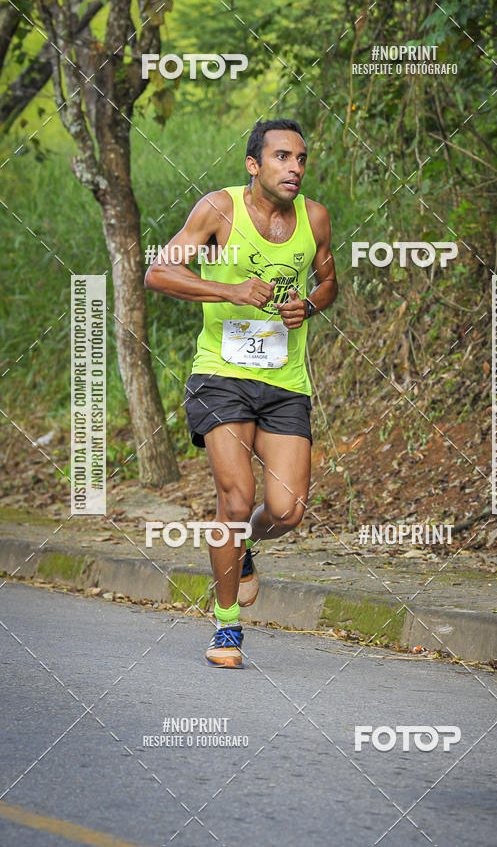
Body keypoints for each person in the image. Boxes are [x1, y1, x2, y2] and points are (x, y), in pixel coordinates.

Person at [145, 119, 338, 668]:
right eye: (282, 157)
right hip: (220, 377)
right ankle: (227, 627)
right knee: (234, 497)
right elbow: (159, 274)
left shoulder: (315, 218)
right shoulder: (217, 209)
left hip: (284, 382)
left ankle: (244, 548)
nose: (295, 168)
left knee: (287, 509)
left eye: (301, 158)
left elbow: (329, 282)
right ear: (254, 165)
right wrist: (228, 289)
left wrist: (311, 305)